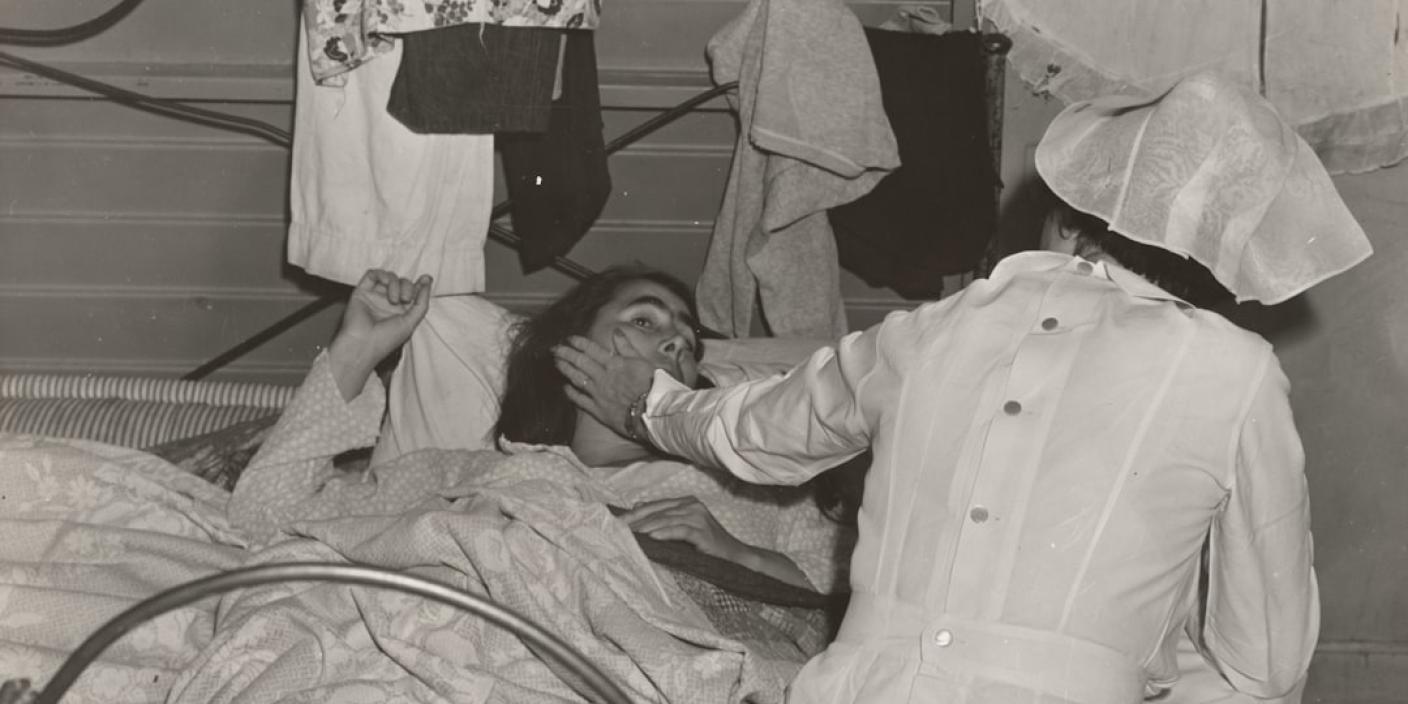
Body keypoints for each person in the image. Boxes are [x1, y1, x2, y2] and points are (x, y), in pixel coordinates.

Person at [554, 72, 1373, 703]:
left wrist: (646, 402)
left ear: (1068, 219)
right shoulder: (1234, 370)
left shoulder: (933, 331)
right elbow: (1264, 662)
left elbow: (751, 432)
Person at [228, 264, 850, 593]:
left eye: (687, 342)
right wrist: (357, 349)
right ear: (567, 350)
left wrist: (739, 555)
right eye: (645, 321)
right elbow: (263, 519)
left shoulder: (758, 489)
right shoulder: (474, 474)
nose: (676, 343)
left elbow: (857, 598)